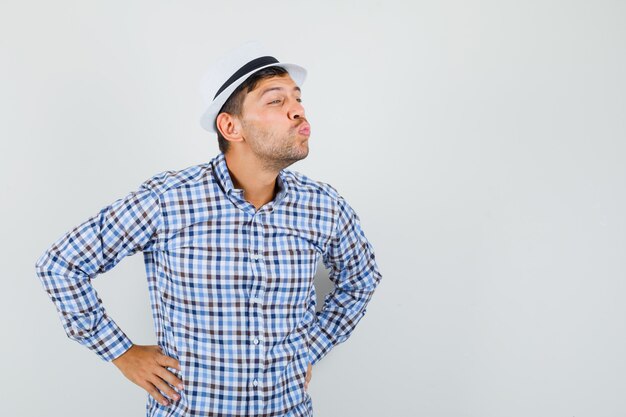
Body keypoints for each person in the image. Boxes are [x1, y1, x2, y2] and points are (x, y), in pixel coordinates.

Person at [35, 41, 383, 417]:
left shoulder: (323, 205)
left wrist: (310, 347)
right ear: (231, 126)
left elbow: (361, 278)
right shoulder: (169, 200)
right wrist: (120, 352)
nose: (297, 110)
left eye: (297, 99)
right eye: (275, 101)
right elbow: (61, 265)